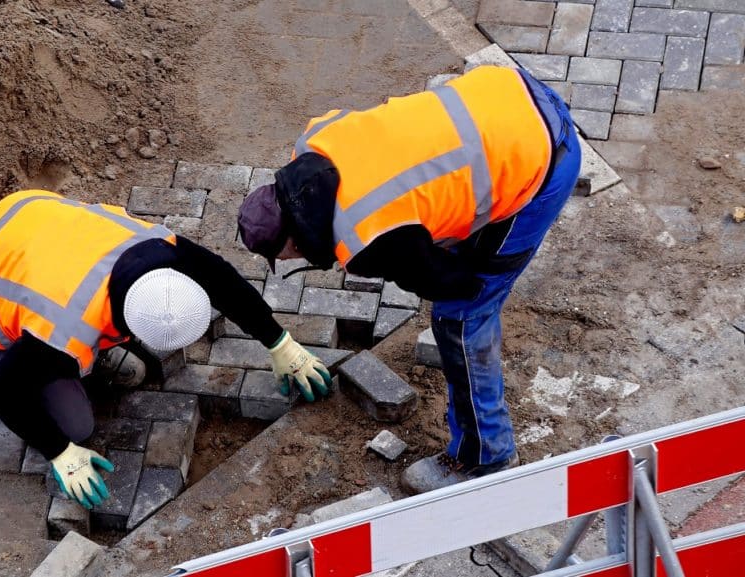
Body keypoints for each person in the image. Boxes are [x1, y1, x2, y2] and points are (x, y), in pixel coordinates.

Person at [236, 65, 581, 480]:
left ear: (291, 245)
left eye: (284, 258)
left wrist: (476, 280)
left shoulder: (364, 239)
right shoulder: (314, 140)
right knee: (451, 240)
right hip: (511, 93)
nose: (291, 263)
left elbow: (446, 280)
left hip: (543, 163)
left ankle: (485, 456)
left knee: (460, 316)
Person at [0, 189, 332, 508]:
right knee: (75, 427)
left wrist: (280, 344)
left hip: (27, 219)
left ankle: (80, 361)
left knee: (126, 371)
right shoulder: (64, 332)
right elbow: (5, 391)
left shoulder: (161, 251)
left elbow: (221, 278)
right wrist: (60, 453)